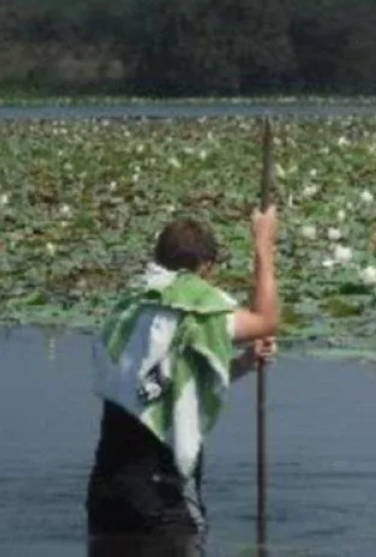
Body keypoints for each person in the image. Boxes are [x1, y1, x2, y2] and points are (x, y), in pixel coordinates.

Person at [86, 206, 281, 554]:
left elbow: (161, 384)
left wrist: (245, 363)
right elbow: (266, 320)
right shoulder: (196, 308)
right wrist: (263, 246)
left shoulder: (130, 311)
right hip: (162, 500)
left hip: (106, 496)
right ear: (205, 267)